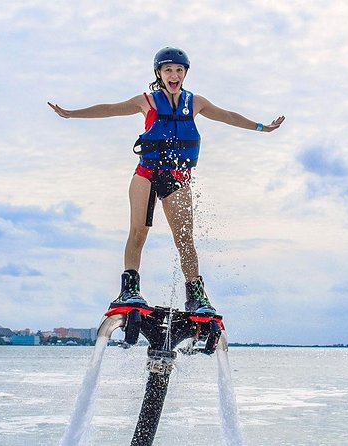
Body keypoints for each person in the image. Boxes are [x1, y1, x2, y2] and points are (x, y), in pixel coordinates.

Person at [49, 46, 284, 315]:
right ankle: (129, 291)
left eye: (179, 70)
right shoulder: (146, 101)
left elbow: (228, 116)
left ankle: (196, 297)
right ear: (159, 73)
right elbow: (109, 109)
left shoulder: (195, 103)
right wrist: (71, 113)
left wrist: (261, 128)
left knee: (185, 239)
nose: (174, 74)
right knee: (138, 232)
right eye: (168, 70)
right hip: (147, 175)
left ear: (185, 74)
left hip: (177, 178)